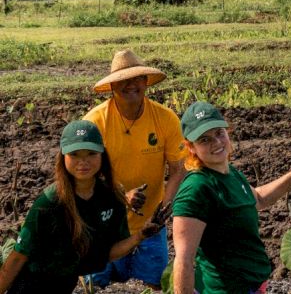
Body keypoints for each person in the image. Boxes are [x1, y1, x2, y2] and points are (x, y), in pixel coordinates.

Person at [0, 120, 169, 294]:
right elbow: (18, 257)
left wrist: (140, 235)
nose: (83, 161)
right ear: (63, 157)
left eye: (91, 153)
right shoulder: (49, 203)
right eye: (74, 154)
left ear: (102, 155)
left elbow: (108, 253)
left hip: (65, 284)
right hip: (30, 285)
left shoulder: (111, 197)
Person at [172, 101, 291, 294]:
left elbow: (259, 199)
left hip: (252, 285)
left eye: (219, 133)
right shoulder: (196, 188)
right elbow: (184, 259)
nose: (216, 143)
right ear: (190, 147)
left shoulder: (231, 174)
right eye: (204, 140)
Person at [83, 49, 186, 289]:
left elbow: (178, 169)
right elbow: (84, 175)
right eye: (123, 80)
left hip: (150, 222)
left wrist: (164, 208)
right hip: (104, 223)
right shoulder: (95, 122)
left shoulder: (165, 119)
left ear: (145, 82)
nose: (130, 85)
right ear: (112, 86)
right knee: (94, 285)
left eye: (137, 79)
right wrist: (120, 197)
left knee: (157, 283)